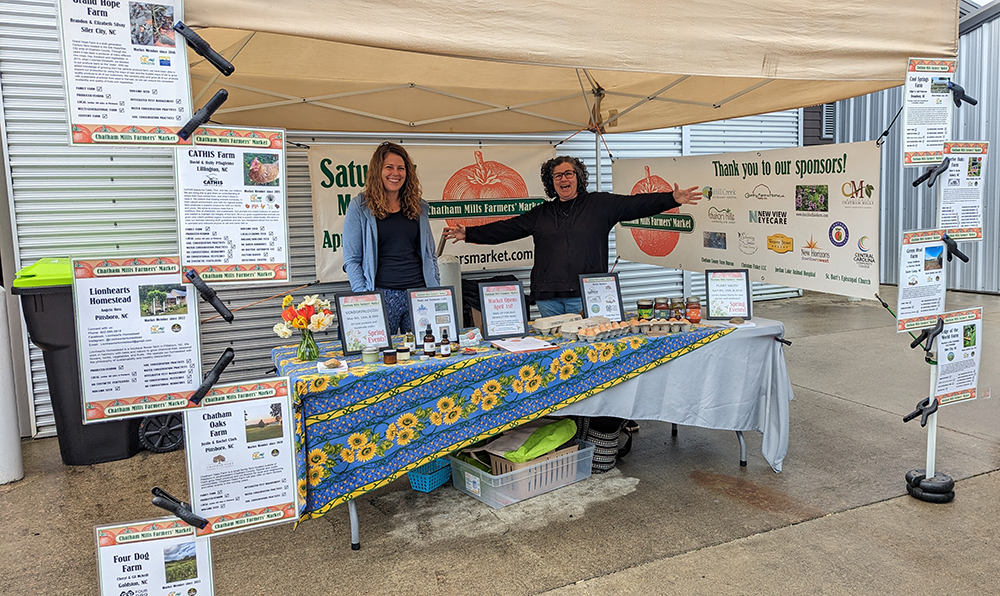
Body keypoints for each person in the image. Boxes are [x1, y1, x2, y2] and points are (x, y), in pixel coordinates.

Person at [442, 156, 701, 317]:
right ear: (551, 181)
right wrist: (470, 233)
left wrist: (670, 198)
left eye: (569, 174)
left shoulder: (601, 205)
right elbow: (507, 229)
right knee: (555, 355)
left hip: (586, 295)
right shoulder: (541, 213)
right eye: (557, 175)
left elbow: (635, 204)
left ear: (578, 177)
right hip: (547, 298)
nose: (563, 179)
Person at [343, 142, 440, 334]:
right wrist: (364, 298)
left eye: (401, 168)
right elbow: (352, 260)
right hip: (381, 295)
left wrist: (435, 289)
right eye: (389, 167)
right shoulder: (360, 207)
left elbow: (430, 254)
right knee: (381, 359)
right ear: (377, 170)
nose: (395, 173)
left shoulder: (419, 207)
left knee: (423, 355)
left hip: (419, 294)